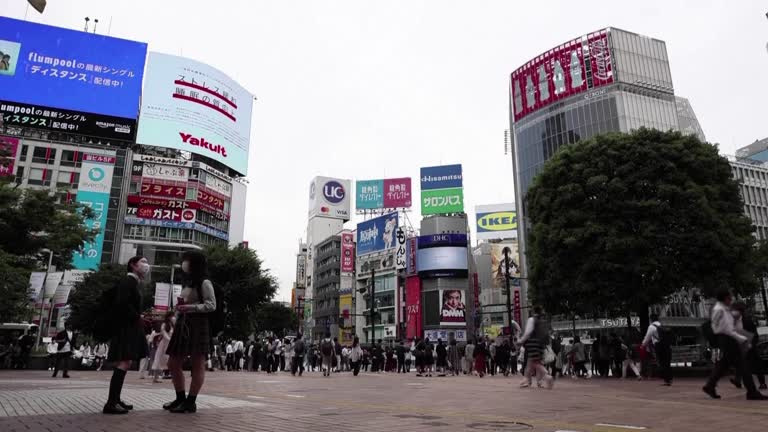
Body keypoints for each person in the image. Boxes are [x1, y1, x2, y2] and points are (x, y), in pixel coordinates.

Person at [164, 250, 217, 414]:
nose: (184, 263)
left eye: (186, 260)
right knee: (173, 362)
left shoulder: (205, 282)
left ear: (195, 263)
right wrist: (178, 310)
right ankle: (180, 398)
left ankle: (190, 401)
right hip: (183, 323)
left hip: (198, 323)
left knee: (197, 363)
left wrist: (190, 307)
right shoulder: (189, 282)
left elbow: (211, 305)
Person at [102, 256, 151, 414]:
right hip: (126, 327)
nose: (146, 265)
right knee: (124, 362)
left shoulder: (134, 283)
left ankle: (115, 399)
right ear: (133, 265)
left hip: (129, 326)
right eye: (143, 262)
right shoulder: (128, 281)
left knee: (126, 362)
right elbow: (121, 304)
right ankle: (111, 403)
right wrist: (137, 316)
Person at [703, 291, 767, 400]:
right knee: (742, 366)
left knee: (724, 364)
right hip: (729, 341)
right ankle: (752, 392)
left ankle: (710, 386)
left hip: (728, 341)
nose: (730, 300)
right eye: (729, 298)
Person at [730, 302, 767, 390]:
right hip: (741, 347)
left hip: (750, 346)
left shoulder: (748, 321)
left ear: (740, 312)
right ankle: (737, 381)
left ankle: (762, 383)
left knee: (757, 365)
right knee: (740, 364)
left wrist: (751, 344)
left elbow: (755, 335)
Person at [518, 306, 554, 389]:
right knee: (530, 363)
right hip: (541, 344)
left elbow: (528, 332)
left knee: (535, 363)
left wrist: (521, 341)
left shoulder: (532, 320)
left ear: (533, 311)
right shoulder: (542, 320)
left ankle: (547, 376)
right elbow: (548, 332)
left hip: (532, 343)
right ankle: (527, 380)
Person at [641, 313, 672, 386]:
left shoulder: (651, 326)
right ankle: (669, 379)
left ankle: (666, 380)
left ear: (651, 319)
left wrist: (643, 345)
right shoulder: (661, 325)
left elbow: (647, 337)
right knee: (667, 362)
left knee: (661, 362)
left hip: (659, 345)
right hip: (667, 345)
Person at [151, 312, 174, 383]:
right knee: (159, 359)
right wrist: (170, 340)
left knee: (171, 360)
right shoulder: (164, 324)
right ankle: (155, 378)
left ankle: (174, 378)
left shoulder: (172, 325)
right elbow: (164, 333)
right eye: (172, 316)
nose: (173, 318)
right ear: (169, 317)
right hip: (163, 344)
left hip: (170, 344)